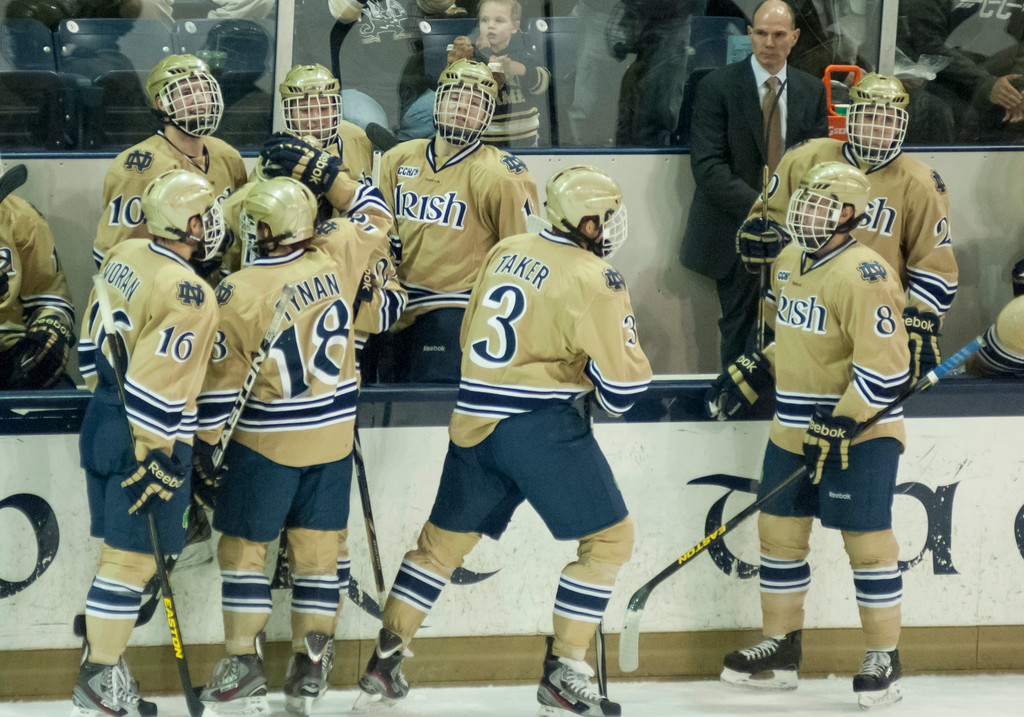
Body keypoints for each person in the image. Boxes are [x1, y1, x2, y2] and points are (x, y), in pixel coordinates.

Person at [354, 165, 652, 715]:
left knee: (439, 548)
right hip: (538, 426)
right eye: (605, 216)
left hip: (472, 417)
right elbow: (623, 392)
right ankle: (566, 668)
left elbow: (469, 330)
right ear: (585, 222)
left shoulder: (508, 247)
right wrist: (581, 369)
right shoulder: (596, 278)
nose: (610, 225)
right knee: (610, 541)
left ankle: (384, 660)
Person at [708, 161, 910, 710]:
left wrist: (842, 418)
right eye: (805, 201)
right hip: (793, 427)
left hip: (859, 435)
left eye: (821, 205)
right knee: (778, 538)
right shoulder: (790, 260)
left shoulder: (865, 275)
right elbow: (793, 338)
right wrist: (759, 367)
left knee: (867, 547)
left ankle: (883, 659)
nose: (805, 212)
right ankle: (781, 648)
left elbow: (889, 369)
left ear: (849, 214)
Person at [193, 174, 393, 717]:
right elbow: (378, 214)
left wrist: (202, 452)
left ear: (261, 230)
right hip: (332, 440)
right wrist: (334, 174)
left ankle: (242, 664)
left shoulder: (237, 292)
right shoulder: (337, 257)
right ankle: (310, 667)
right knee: (318, 558)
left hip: (268, 443)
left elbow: (218, 391)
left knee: (243, 553)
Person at [71, 168, 224, 716]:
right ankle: (100, 679)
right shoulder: (191, 294)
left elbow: (91, 352)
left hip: (103, 418)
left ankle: (105, 668)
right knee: (130, 565)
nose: (211, 223)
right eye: (204, 214)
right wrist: (158, 454)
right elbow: (159, 381)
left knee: (117, 558)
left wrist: (116, 418)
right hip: (147, 435)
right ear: (187, 222)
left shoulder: (124, 254)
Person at [740, 74, 958, 385]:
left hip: (868, 322)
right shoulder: (806, 157)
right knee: (763, 406)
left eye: (888, 120)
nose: (877, 129)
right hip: (793, 312)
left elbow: (934, 268)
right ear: (850, 118)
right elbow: (767, 222)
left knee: (851, 418)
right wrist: (759, 240)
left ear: (902, 125)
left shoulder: (922, 184)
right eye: (869, 117)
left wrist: (921, 321)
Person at [679, 0, 828, 371]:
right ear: (750, 35)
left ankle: (777, 411)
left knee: (791, 329)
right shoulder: (716, 87)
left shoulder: (812, 90)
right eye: (761, 33)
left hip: (794, 237)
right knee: (739, 328)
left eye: (779, 35)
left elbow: (816, 166)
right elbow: (709, 167)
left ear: (794, 38)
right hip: (734, 233)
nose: (769, 42)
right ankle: (733, 406)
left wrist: (791, 218)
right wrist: (767, 211)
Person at [375, 58, 538, 383]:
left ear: (488, 115)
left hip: (457, 310)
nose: (464, 108)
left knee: (430, 409)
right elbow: (381, 236)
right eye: (455, 97)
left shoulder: (503, 175)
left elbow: (523, 260)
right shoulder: (399, 158)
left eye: (476, 103)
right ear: (437, 101)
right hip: (396, 306)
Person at [92, 54, 247, 278]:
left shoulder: (228, 155)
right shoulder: (141, 167)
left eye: (204, 90)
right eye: (186, 93)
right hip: (166, 295)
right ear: (161, 103)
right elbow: (113, 255)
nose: (200, 100)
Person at [0, 170, 76, 390]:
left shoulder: (23, 218)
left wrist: (50, 330)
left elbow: (51, 297)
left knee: (63, 401)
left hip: (10, 352)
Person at [464, 0, 551, 147]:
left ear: (514, 27)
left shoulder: (524, 55)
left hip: (527, 142)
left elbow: (543, 83)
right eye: (485, 20)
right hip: (485, 142)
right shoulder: (473, 57)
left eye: (499, 20)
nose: (490, 25)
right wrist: (484, 67)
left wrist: (522, 70)